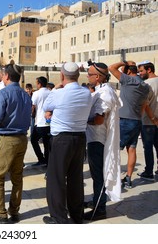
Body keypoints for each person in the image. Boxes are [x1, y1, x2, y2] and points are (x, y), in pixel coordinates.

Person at [42, 62, 92, 224]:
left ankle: (58, 217)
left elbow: (46, 106)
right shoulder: (86, 93)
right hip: (79, 139)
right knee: (75, 179)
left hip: (61, 140)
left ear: (62, 76)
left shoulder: (58, 93)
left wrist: (57, 87)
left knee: (56, 179)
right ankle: (76, 215)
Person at [0, 63, 31, 224]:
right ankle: (14, 211)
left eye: (3, 74)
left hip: (7, 140)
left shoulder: (4, 93)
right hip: (22, 139)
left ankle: (0, 213)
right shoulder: (25, 95)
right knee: (17, 177)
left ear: (7, 76)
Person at [84, 62, 121, 221]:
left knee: (98, 176)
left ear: (98, 77)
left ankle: (99, 210)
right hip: (94, 139)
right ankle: (96, 201)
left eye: (90, 74)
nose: (87, 76)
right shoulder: (102, 91)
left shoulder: (105, 94)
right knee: (96, 175)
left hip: (97, 140)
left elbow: (99, 120)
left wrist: (82, 121)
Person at [108, 61, 149, 189]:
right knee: (132, 149)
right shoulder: (145, 86)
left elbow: (111, 67)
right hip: (136, 120)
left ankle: (112, 179)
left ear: (129, 71)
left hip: (124, 120)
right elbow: (144, 105)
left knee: (115, 150)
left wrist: (125, 62)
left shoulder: (128, 80)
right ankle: (129, 179)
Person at [137, 61, 158, 180]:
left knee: (148, 147)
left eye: (141, 71)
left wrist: (154, 119)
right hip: (154, 121)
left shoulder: (146, 84)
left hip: (149, 122)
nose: (140, 74)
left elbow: (146, 105)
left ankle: (149, 171)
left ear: (149, 70)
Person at [30, 76, 51, 167]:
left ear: (39, 84)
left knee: (33, 140)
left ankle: (41, 158)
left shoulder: (36, 94)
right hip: (49, 122)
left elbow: (33, 107)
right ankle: (47, 161)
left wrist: (31, 115)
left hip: (40, 122)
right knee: (47, 143)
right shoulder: (51, 93)